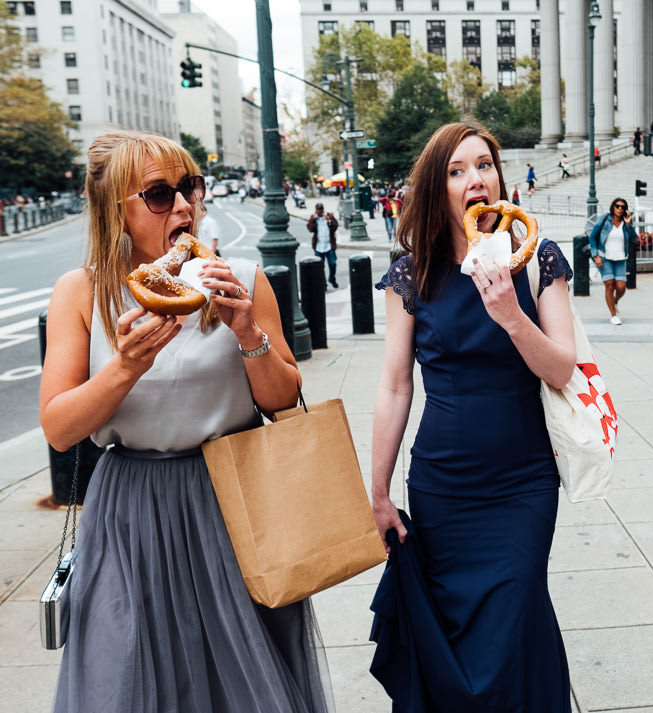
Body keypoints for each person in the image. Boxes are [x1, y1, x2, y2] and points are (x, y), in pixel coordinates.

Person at [39, 131, 333, 713]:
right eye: (157, 193)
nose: (182, 205)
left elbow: (283, 400)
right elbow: (59, 427)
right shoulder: (83, 292)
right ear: (113, 210)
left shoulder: (241, 278)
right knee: (125, 676)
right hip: (129, 512)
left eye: (188, 187)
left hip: (232, 500)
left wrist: (248, 333)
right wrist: (123, 368)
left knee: (239, 681)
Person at [370, 121, 575, 711]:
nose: (475, 178)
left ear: (500, 177)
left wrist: (512, 313)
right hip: (443, 483)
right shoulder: (414, 272)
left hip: (523, 483)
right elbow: (394, 385)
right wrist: (378, 490)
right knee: (454, 635)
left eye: (483, 164)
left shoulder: (537, 257)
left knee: (514, 621)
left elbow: (561, 370)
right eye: (457, 171)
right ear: (440, 189)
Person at [589, 197, 637, 326]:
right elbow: (593, 237)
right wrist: (596, 256)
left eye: (622, 207)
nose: (620, 209)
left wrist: (628, 224)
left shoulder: (625, 224)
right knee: (609, 284)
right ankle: (613, 315)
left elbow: (634, 239)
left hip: (621, 259)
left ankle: (614, 301)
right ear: (613, 207)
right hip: (605, 258)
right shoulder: (604, 220)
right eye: (617, 206)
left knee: (621, 287)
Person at [307, 202, 338, 289]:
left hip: (329, 246)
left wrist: (329, 220)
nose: (320, 211)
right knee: (320, 267)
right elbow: (310, 229)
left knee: (333, 264)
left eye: (321, 209)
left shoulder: (329, 216)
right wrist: (313, 220)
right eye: (318, 209)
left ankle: (332, 279)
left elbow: (335, 227)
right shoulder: (313, 218)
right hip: (318, 247)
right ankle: (323, 284)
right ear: (316, 210)